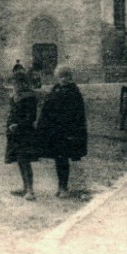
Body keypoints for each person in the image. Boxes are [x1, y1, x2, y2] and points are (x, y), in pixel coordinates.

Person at [36, 67, 88, 198]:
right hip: (55, 130)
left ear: (70, 77)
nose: (63, 79)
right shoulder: (55, 89)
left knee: (63, 158)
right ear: (57, 77)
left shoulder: (74, 92)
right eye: (61, 76)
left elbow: (77, 114)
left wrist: (74, 130)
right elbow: (47, 106)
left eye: (66, 76)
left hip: (67, 130)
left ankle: (64, 187)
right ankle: (60, 186)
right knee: (58, 159)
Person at [5, 79, 41, 200]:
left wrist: (18, 125)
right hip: (16, 134)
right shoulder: (15, 97)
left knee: (25, 160)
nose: (17, 86)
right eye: (15, 83)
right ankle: (25, 187)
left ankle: (30, 189)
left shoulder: (29, 98)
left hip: (26, 134)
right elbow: (11, 114)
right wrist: (10, 125)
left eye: (20, 83)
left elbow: (31, 117)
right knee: (20, 160)